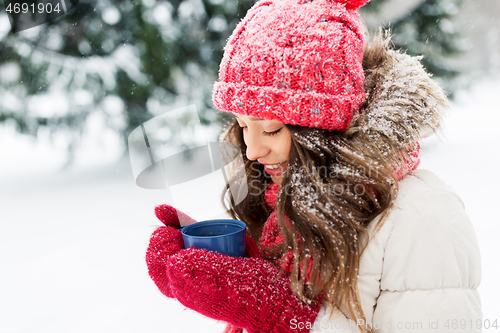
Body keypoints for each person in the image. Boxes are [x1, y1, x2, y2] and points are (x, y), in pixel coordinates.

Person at [145, 0, 482, 332]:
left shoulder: (422, 216)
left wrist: (277, 312)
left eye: (271, 128)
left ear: (321, 127)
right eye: (242, 126)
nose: (251, 150)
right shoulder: (283, 200)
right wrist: (237, 271)